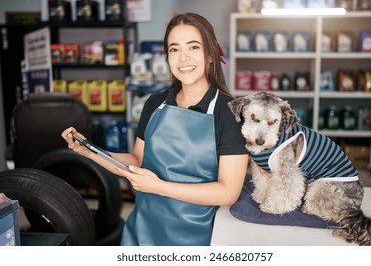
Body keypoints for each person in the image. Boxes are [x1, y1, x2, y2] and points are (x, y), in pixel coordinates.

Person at [62, 12, 249, 246]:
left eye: (193, 47)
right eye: (174, 49)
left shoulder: (230, 113)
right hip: (144, 229)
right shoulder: (155, 103)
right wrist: (90, 151)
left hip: (200, 237)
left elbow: (228, 192)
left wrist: (159, 187)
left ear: (210, 54)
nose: (183, 58)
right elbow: (136, 161)